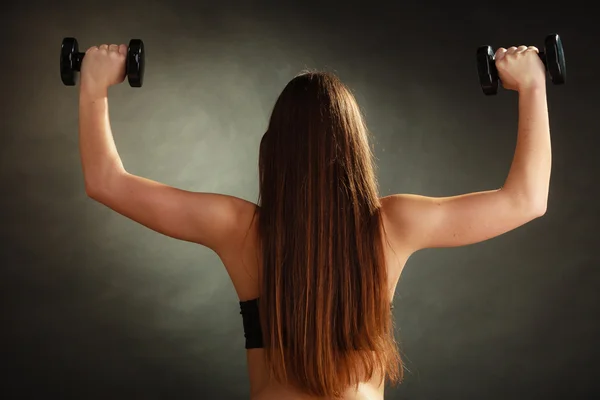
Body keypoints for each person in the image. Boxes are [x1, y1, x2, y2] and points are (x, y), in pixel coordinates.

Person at [78, 43, 550, 400]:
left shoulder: (239, 229)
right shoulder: (394, 225)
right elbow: (526, 199)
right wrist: (531, 84)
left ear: (274, 151)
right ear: (355, 150)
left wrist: (94, 84)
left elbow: (106, 181)